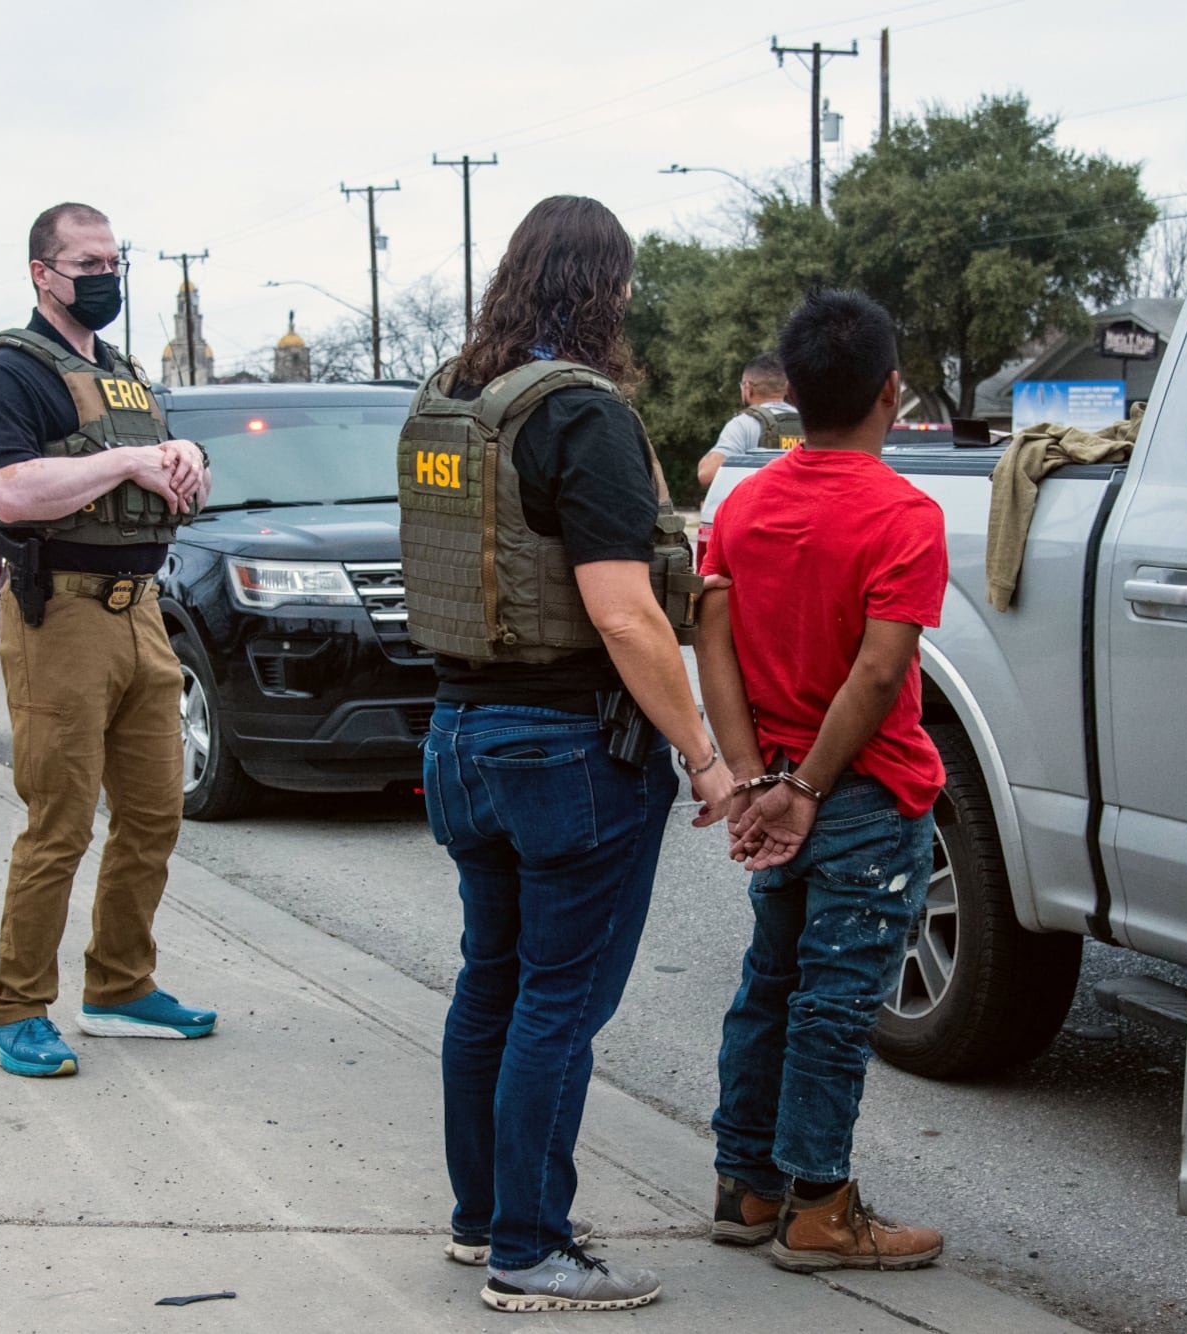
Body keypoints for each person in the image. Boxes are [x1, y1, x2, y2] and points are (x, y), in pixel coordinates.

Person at [399, 195, 736, 1313]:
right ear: (609, 289)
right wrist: (702, 753)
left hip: (458, 734)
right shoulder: (581, 414)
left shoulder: (451, 400)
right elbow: (626, 614)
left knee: (489, 982)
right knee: (557, 1001)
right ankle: (531, 1249)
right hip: (565, 747)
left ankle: (484, 1219)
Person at [696, 289, 949, 1273]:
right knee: (835, 1003)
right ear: (891, 390)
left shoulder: (744, 505)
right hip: (864, 795)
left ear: (791, 394)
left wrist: (752, 778)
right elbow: (879, 672)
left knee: (770, 984)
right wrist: (804, 787)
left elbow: (712, 639)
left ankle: (747, 1185)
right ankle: (819, 1209)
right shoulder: (904, 514)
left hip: (773, 787)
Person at [0, 201, 217, 1079]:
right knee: (60, 822)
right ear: (43, 273)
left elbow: (157, 466)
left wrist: (186, 459)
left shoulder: (124, 373)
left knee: (154, 814)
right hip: (61, 615)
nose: (106, 276)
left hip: (142, 610)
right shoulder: (12, 370)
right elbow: (6, 492)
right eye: (87, 263)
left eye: (114, 261)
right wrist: (128, 462)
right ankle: (14, 1009)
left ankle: (119, 987)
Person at [694, 351, 802, 488]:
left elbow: (707, 474)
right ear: (786, 388)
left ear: (747, 388)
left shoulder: (743, 424)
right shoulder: (808, 421)